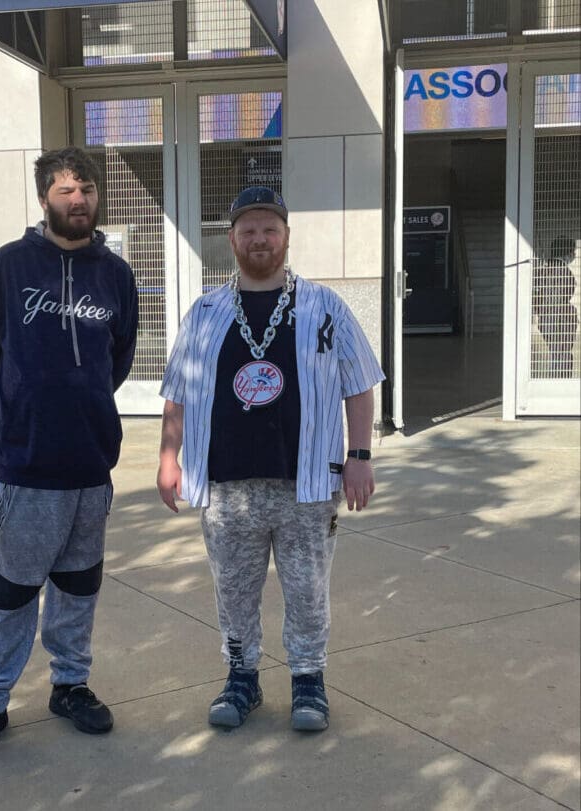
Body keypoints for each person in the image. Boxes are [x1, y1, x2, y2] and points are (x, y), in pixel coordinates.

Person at [157, 186, 384, 733]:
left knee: (307, 590)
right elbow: (178, 392)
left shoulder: (325, 306)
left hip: (305, 483)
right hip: (227, 486)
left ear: (286, 236)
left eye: (269, 229)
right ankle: (242, 678)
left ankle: (308, 680)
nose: (259, 239)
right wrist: (169, 457)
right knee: (234, 592)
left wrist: (359, 456)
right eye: (249, 230)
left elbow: (359, 385)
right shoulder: (205, 311)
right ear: (232, 239)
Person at [0, 146, 138, 760]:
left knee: (78, 587)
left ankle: (70, 685)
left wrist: (82, 403)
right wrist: (24, 401)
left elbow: (118, 357)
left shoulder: (116, 275)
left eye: (87, 189)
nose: (78, 199)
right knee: (10, 591)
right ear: (43, 198)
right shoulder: (9, 265)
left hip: (90, 464)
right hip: (26, 463)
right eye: (65, 190)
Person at [533, 236, 578, 378]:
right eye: (573, 251)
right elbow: (566, 295)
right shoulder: (564, 272)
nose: (574, 255)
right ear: (567, 253)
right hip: (561, 320)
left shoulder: (542, 270)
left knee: (554, 353)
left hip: (545, 319)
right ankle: (561, 381)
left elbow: (536, 297)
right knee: (562, 354)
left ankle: (555, 378)